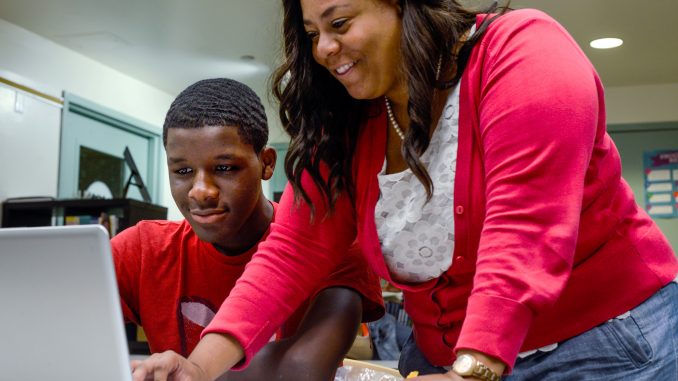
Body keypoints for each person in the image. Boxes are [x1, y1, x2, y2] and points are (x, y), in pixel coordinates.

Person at [132, 1, 678, 380]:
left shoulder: (524, 55)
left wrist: (475, 368)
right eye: (310, 32)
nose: (324, 48)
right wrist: (198, 367)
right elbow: (290, 253)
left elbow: (525, 231)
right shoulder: (347, 120)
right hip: (446, 359)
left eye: (339, 22)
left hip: (608, 346)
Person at [113, 78, 384, 381]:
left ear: (267, 163)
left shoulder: (334, 242)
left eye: (225, 168)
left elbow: (302, 368)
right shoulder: (142, 250)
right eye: (183, 171)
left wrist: (196, 370)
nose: (200, 191)